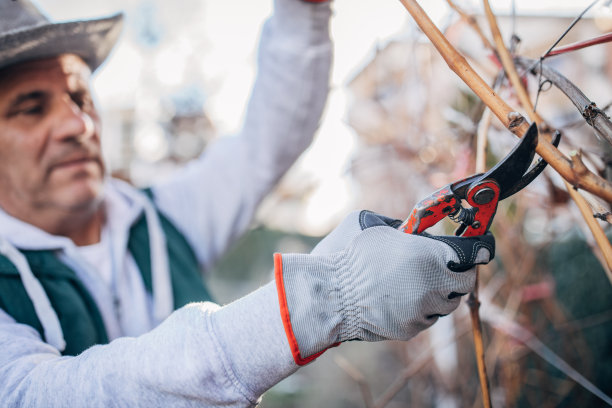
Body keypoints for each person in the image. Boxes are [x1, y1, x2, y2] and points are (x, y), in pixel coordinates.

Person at [0, 0, 495, 406]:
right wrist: (326, 300)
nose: (78, 125)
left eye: (80, 97)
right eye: (31, 108)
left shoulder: (157, 218)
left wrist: (303, 11)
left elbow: (267, 140)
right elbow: (39, 394)